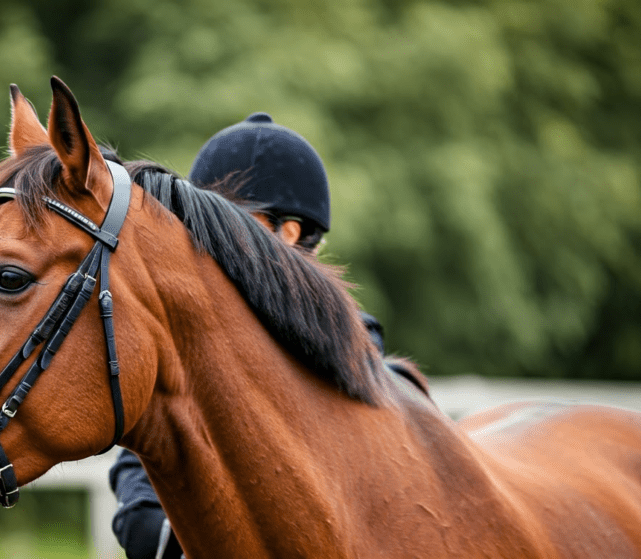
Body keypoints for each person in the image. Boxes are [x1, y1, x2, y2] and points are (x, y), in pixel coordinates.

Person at [108, 113, 427, 559]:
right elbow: (140, 511)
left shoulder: (354, 346)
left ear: (290, 233)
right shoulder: (178, 345)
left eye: (232, 223)